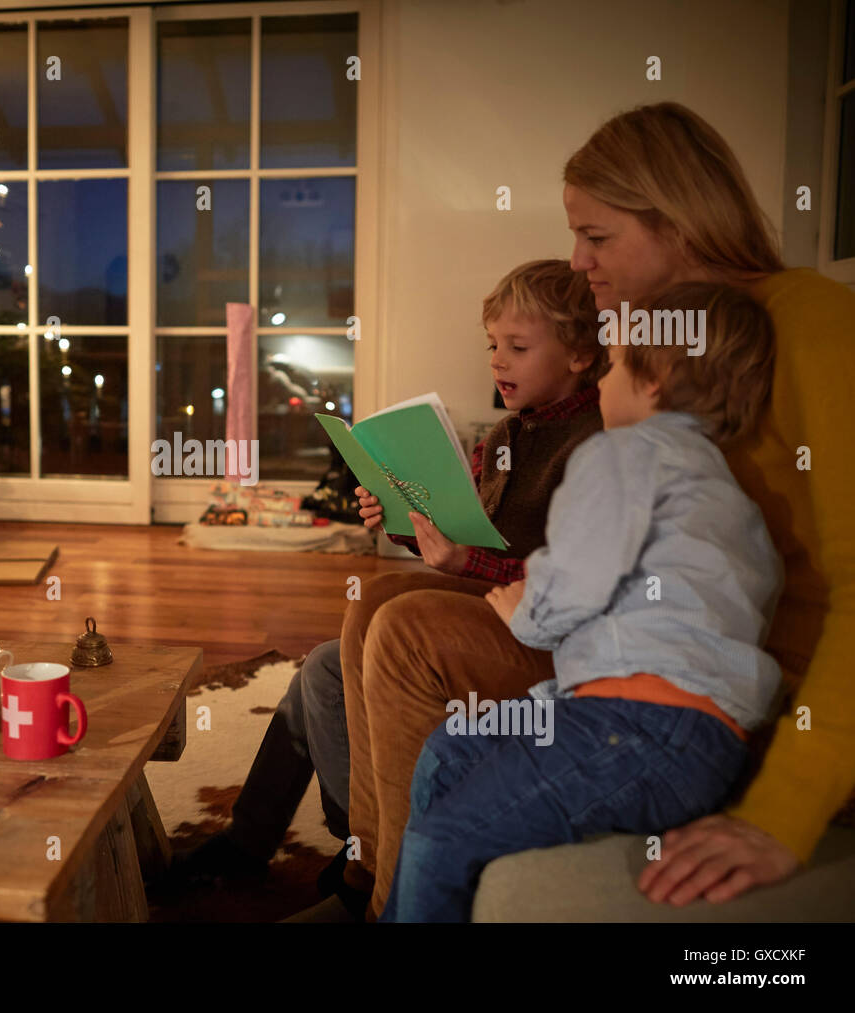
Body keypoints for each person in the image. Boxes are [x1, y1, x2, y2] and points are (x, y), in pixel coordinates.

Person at [337, 102, 855, 920]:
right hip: (669, 648)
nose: (577, 261)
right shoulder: (657, 367)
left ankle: (399, 893)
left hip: (701, 693)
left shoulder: (809, 328)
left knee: (408, 635)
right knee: (377, 604)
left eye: (598, 236)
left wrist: (784, 809)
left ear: (678, 220)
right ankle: (375, 878)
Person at [165, 259, 603, 909]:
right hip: (481, 603)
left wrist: (463, 564)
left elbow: (566, 581)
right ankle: (259, 843)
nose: (498, 361)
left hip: (538, 628)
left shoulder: (595, 441)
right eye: (492, 345)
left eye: (518, 346)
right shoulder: (505, 435)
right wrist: (402, 523)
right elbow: (467, 539)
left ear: (578, 355)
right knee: (320, 667)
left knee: (349, 650)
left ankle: (363, 858)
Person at [380, 282, 779, 921]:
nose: (603, 380)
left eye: (615, 363)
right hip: (700, 741)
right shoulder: (730, 494)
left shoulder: (626, 452)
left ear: (657, 380)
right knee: (450, 749)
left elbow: (576, 579)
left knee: (443, 837)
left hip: (638, 729)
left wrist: (525, 614)